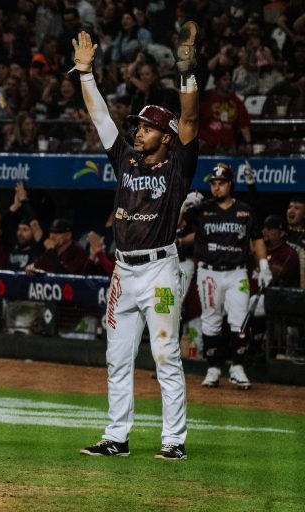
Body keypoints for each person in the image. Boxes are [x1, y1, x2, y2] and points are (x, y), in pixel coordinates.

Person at [74, 23, 199, 461]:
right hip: (124, 270)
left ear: (165, 137)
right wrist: (86, 74)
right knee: (117, 357)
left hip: (161, 268)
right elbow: (100, 117)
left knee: (166, 356)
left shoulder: (179, 165)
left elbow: (190, 118)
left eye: (146, 128)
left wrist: (186, 68)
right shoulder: (126, 156)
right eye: (138, 127)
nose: (138, 132)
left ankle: (174, 441)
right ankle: (117, 438)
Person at [178, 163, 271, 389]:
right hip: (209, 272)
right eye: (214, 184)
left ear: (230, 184)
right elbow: (175, 228)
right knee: (211, 321)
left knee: (239, 321)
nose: (216, 188)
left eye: (221, 183)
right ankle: (213, 368)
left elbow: (257, 238)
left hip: (236, 272)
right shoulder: (202, 209)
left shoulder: (245, 210)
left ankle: (237, 367)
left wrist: (264, 265)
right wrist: (183, 208)